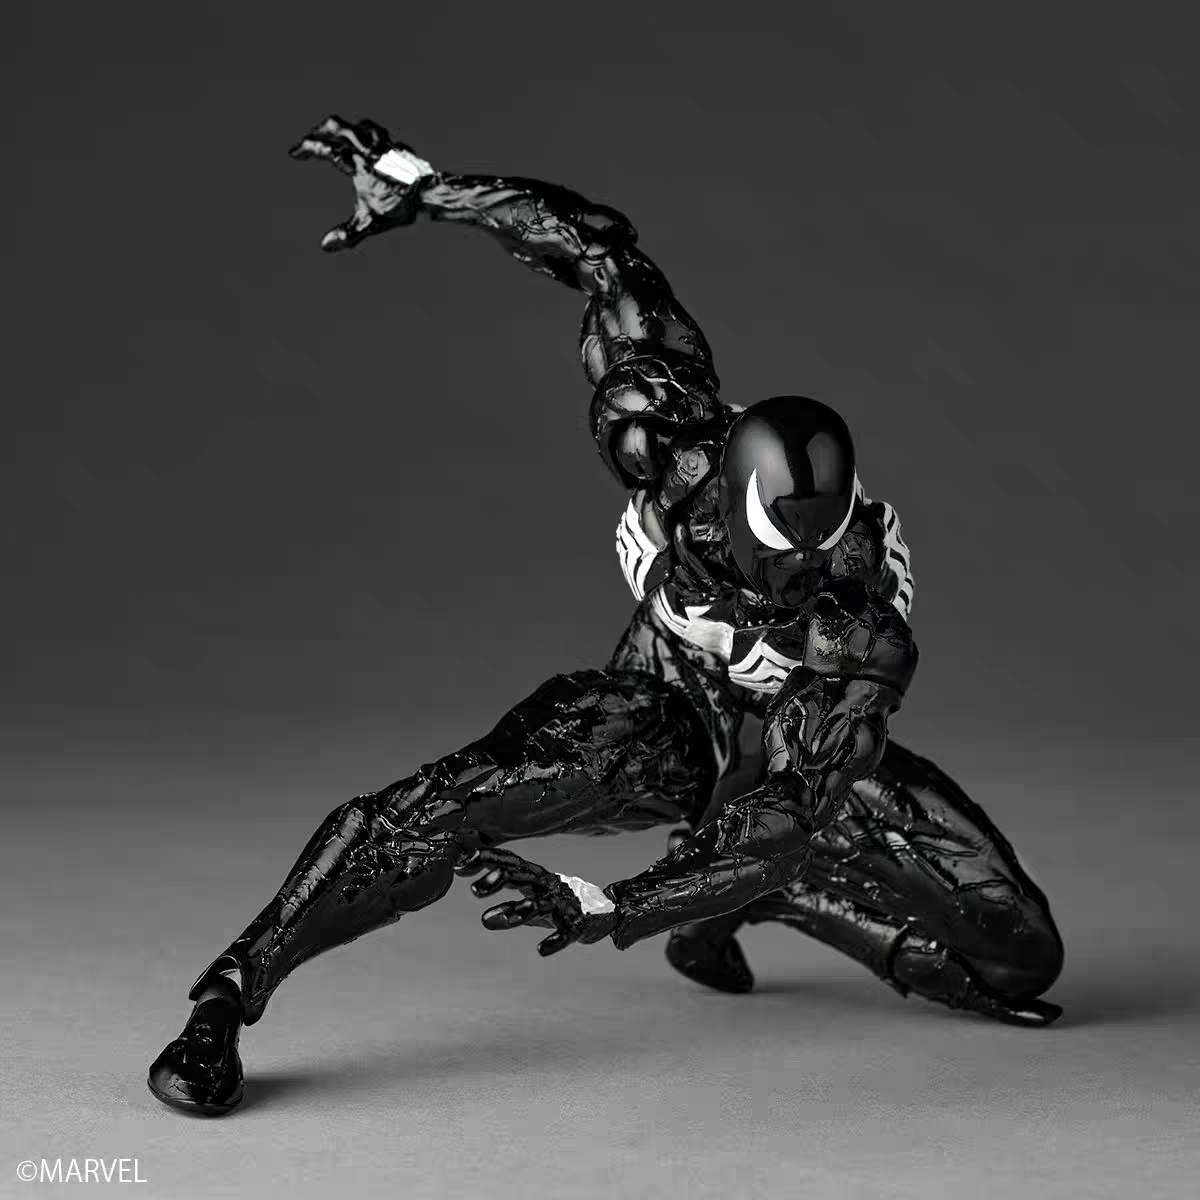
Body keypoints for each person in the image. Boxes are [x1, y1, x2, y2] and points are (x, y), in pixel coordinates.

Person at [148, 115, 1064, 1116]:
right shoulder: (668, 434)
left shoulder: (860, 630)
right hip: (664, 710)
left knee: (1018, 951)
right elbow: (597, 250)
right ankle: (227, 997)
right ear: (724, 492)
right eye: (773, 544)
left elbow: (789, 817)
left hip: (800, 749)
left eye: (818, 550)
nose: (796, 571)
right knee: (450, 799)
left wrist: (614, 903)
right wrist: (425, 187)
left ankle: (764, 903)